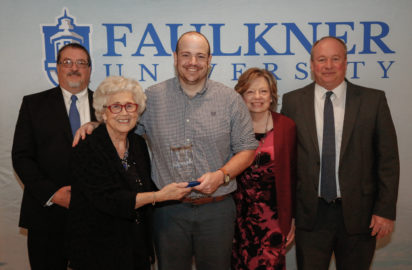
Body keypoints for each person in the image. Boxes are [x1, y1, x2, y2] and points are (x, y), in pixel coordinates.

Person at [74, 31, 258, 270]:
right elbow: (125, 125)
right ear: (175, 57)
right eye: (186, 55)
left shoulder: (230, 99)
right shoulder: (152, 97)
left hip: (217, 208)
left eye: (200, 56)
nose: (193, 62)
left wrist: (221, 176)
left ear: (209, 59)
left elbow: (247, 149)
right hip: (168, 212)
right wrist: (97, 124)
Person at [281, 36, 400, 269]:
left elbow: (388, 161)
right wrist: (288, 214)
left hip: (360, 215)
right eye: (321, 59)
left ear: (346, 62)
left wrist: (384, 211)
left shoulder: (372, 100)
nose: (328, 66)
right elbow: (288, 163)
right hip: (310, 215)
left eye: (335, 59)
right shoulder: (293, 101)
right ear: (312, 64)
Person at [67, 76, 191, 270]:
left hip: (135, 249)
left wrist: (182, 187)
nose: (124, 113)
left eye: (130, 106)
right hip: (98, 251)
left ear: (138, 111)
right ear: (103, 113)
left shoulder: (138, 144)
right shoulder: (87, 147)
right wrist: (159, 196)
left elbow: (143, 187)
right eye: (115, 106)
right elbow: (109, 199)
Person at [12, 43, 95, 270]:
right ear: (57, 68)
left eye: (81, 63)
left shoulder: (108, 107)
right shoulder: (33, 105)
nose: (74, 68)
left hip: (97, 218)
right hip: (46, 215)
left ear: (90, 69)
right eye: (67, 62)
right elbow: (21, 157)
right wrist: (52, 193)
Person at [231, 68, 296, 270]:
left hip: (273, 220)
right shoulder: (230, 127)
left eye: (263, 91)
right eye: (250, 92)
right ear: (241, 96)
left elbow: (294, 176)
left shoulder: (286, 127)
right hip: (236, 220)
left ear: (272, 95)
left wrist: (291, 218)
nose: (257, 97)